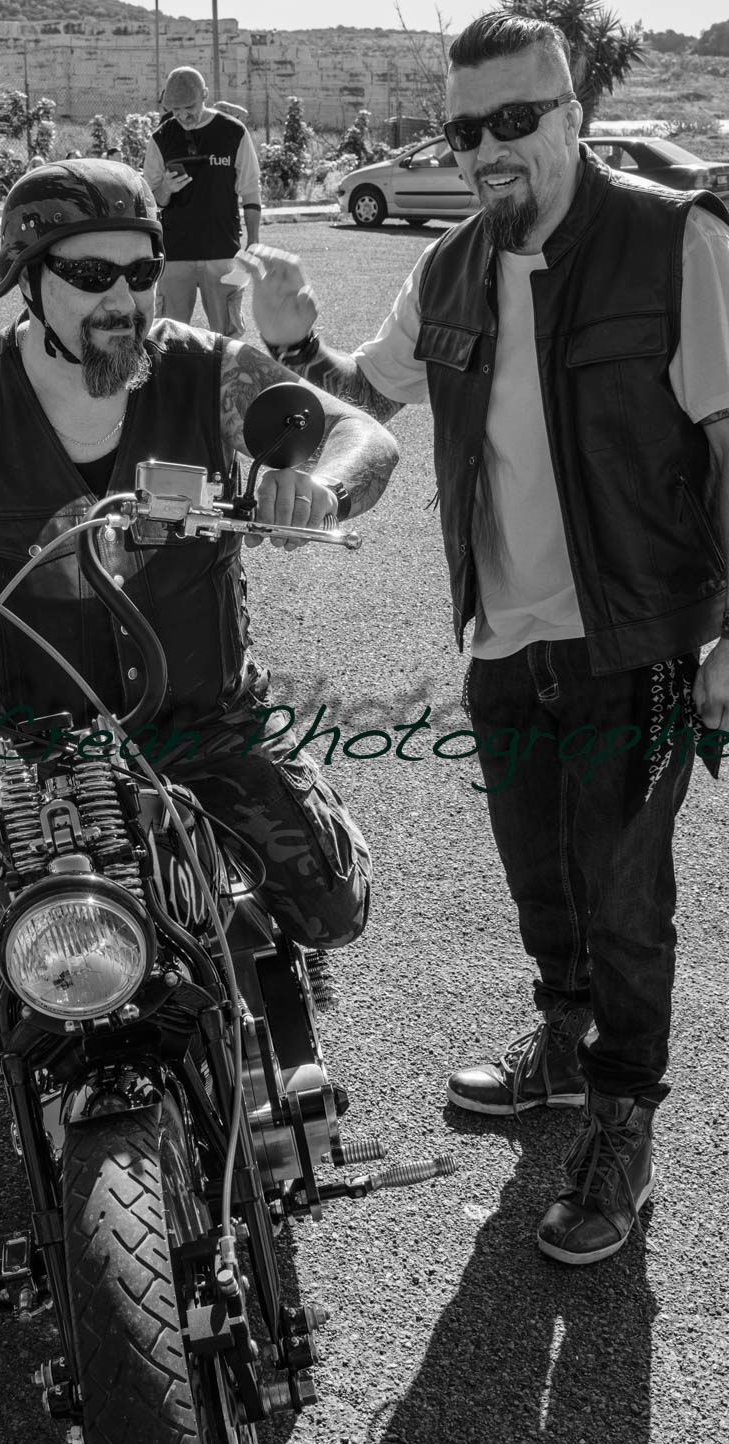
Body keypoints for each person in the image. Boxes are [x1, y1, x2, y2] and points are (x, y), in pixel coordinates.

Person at [0, 158, 399, 1301]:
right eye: (92, 275)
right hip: (26, 721)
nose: (124, 298)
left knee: (332, 904)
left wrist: (321, 486)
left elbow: (358, 438)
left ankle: (248, 950)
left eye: (141, 272)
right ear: (26, 277)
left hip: (201, 711)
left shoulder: (208, 372)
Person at [240, 11, 729, 1266]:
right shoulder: (451, 268)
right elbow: (362, 400)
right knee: (538, 872)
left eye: (515, 119)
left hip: (637, 632)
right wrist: (293, 339)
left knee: (625, 894)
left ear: (572, 112)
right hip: (503, 636)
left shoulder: (674, 242)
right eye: (465, 129)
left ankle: (621, 1123)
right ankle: (564, 1043)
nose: (488, 148)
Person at [143, 66, 262, 337]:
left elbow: (250, 190)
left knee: (227, 337)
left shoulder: (234, 132)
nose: (183, 116)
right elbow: (152, 200)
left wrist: (254, 240)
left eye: (190, 107)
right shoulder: (160, 138)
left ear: (205, 95)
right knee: (168, 337)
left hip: (222, 251)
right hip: (175, 254)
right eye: (176, 110)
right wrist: (166, 189)